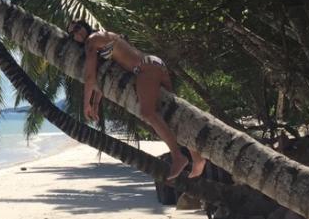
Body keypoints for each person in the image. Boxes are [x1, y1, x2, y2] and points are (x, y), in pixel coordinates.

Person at [67, 19, 207, 181]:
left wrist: (86, 105)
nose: (76, 34)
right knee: (170, 114)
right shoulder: (102, 38)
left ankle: (178, 156)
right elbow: (102, 75)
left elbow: (90, 76)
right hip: (154, 63)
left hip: (144, 68)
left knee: (148, 113)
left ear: (84, 26)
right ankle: (196, 157)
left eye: (77, 28)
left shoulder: (92, 41)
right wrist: (96, 103)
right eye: (72, 35)